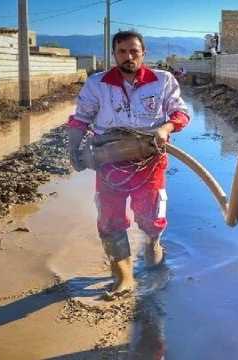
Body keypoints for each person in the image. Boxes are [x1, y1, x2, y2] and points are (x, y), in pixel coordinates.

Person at [66, 30, 190, 300]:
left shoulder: (162, 80)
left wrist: (166, 128)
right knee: (110, 219)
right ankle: (123, 275)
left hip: (150, 160)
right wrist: (73, 150)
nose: (128, 56)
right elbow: (80, 119)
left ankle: (153, 246)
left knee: (151, 217)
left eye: (134, 51)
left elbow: (181, 113)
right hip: (109, 162)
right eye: (122, 51)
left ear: (144, 52)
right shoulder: (97, 83)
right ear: (114, 54)